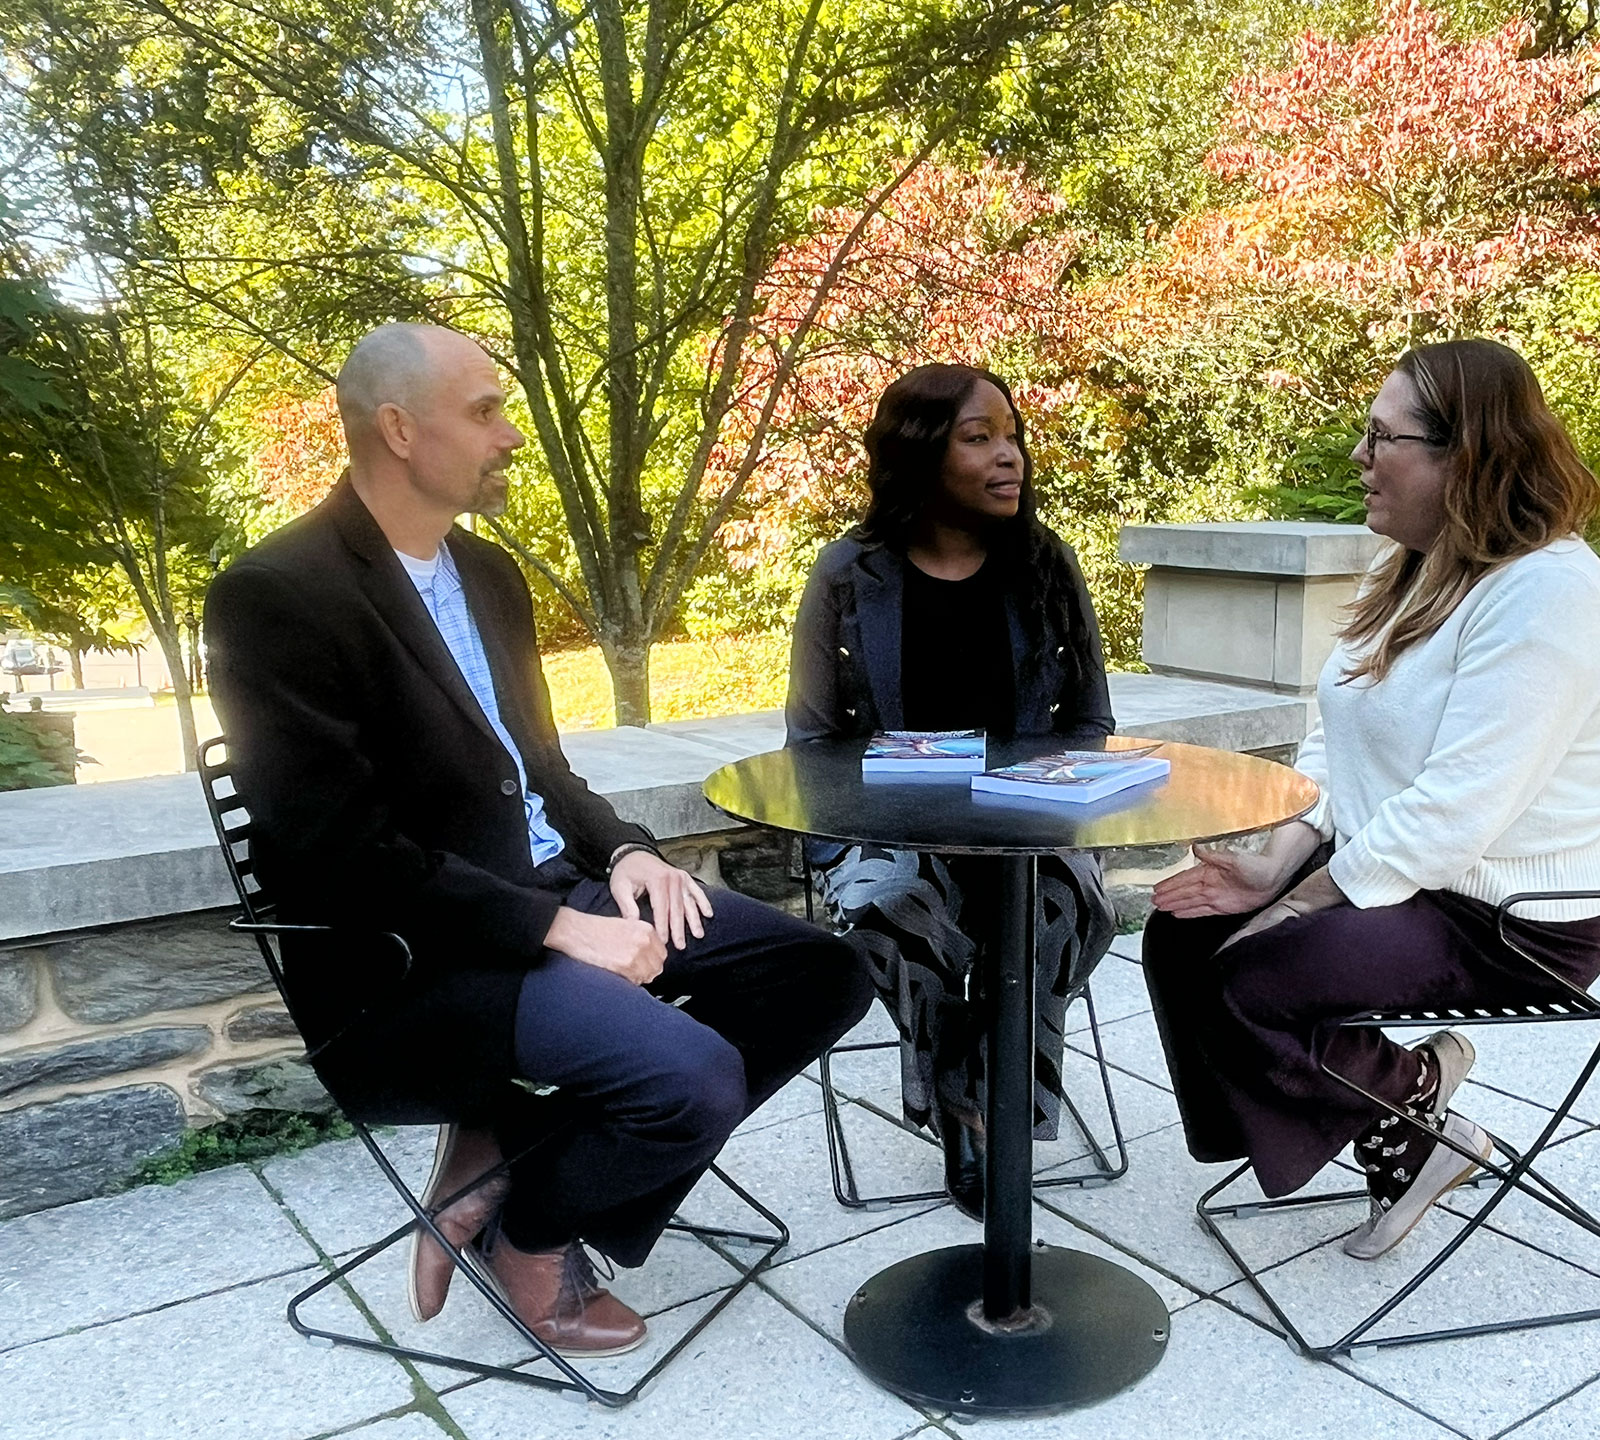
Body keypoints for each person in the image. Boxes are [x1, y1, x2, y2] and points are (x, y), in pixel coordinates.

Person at [205, 323, 871, 1357]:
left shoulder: (489, 577)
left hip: (548, 889)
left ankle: (516, 1161)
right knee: (690, 1078)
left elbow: (543, 771)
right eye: (484, 412)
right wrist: (560, 931)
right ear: (397, 429)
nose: (511, 436)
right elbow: (342, 856)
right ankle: (533, 1231)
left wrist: (628, 856)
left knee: (819, 974)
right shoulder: (279, 596)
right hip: (407, 966)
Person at [1143, 339, 1600, 1260]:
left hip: (1513, 917)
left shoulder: (1548, 594)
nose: (1360, 460)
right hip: (1416, 876)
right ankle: (1409, 1103)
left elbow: (1456, 809)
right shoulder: (1412, 563)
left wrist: (1293, 903)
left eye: (1382, 438)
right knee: (1181, 934)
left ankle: (1413, 1128)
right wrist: (1288, 850)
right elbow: (1343, 734)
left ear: (1467, 456)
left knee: (1254, 975)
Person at [785, 363, 1117, 1218]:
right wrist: (843, 844)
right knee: (893, 907)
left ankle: (984, 1100)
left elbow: (1088, 722)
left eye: (1012, 436)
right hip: (891, 831)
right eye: (980, 438)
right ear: (920, 454)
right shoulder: (848, 576)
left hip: (1029, 830)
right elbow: (813, 745)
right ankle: (975, 1111)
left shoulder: (1044, 565)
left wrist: (1055, 797)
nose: (1010, 457)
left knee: (1065, 912)